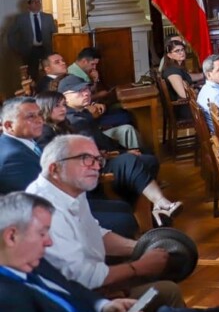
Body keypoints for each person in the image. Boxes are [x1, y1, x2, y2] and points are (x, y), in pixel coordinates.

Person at [26, 135, 184, 306]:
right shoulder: (44, 211)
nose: (96, 167)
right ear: (55, 168)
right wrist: (138, 267)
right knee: (168, 291)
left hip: (92, 288)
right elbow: (79, 277)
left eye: (97, 159)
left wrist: (141, 247)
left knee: (165, 272)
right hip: (72, 302)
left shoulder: (70, 189)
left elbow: (95, 234)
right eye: (85, 159)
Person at [35, 91, 183, 226]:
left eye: (63, 105)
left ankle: (155, 207)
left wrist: (99, 155)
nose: (62, 109)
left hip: (94, 163)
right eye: (56, 106)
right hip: (84, 174)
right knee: (129, 160)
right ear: (44, 109)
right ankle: (160, 203)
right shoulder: (45, 133)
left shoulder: (62, 125)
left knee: (146, 160)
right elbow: (60, 161)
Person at [0, 97, 138, 239]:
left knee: (123, 207)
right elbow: (39, 202)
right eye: (30, 117)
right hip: (45, 222)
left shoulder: (25, 142)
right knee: (124, 221)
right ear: (9, 125)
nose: (40, 120)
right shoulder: (13, 156)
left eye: (40, 114)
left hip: (60, 203)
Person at [0, 191, 137, 312]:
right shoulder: (7, 299)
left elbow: (70, 287)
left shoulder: (30, 261)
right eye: (41, 233)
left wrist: (104, 306)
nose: (49, 242)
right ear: (12, 236)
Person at [59, 76, 142, 151]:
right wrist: (125, 153)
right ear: (64, 98)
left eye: (86, 88)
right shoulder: (74, 119)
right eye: (79, 91)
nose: (86, 93)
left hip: (101, 145)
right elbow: (97, 146)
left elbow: (101, 138)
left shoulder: (81, 110)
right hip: (97, 159)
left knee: (127, 129)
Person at [8, 0, 57, 80]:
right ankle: (34, 91)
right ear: (29, 6)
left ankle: (49, 89)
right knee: (32, 73)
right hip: (30, 50)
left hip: (46, 48)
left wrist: (55, 47)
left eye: (39, 2)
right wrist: (17, 49)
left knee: (49, 72)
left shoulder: (48, 17)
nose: (37, 4)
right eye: (34, 2)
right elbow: (11, 34)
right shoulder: (21, 18)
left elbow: (55, 33)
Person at [161, 39, 194, 122]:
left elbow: (188, 77)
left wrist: (204, 75)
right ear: (169, 55)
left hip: (186, 106)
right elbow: (184, 95)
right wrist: (196, 91)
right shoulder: (173, 72)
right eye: (177, 51)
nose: (181, 53)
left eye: (182, 50)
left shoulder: (175, 67)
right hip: (183, 109)